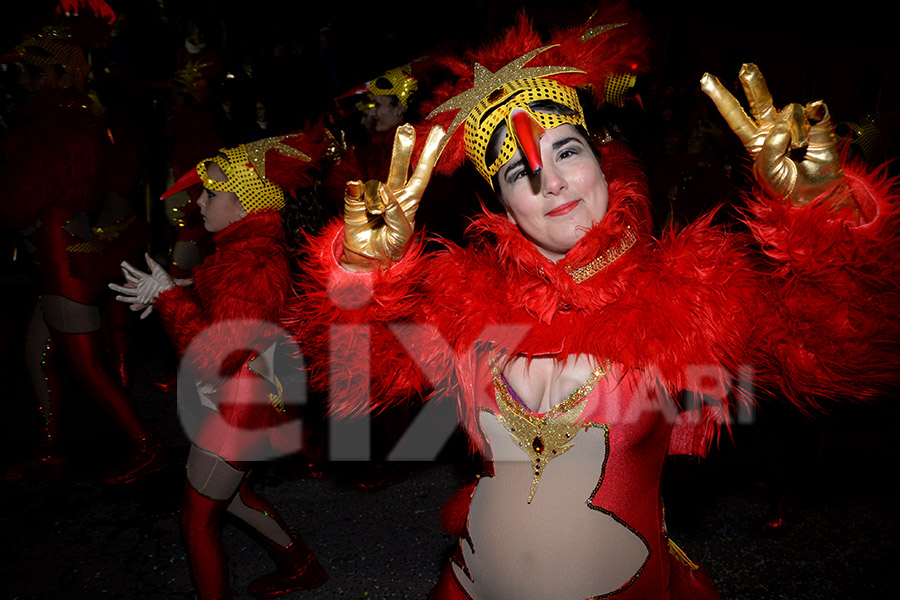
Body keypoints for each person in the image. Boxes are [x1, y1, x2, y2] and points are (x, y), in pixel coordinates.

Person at [286, 7, 900, 600]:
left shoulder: (690, 291)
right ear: (502, 208)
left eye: (567, 151)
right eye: (518, 172)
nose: (550, 181)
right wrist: (362, 274)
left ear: (602, 163)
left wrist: (825, 220)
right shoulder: (461, 300)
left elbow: (839, 354)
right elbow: (350, 379)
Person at [110, 131, 331, 600]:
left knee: (196, 523)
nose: (200, 202)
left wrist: (170, 299)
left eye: (212, 193)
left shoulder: (252, 263)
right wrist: (177, 289)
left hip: (239, 406)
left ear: (247, 205)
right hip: (254, 399)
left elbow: (214, 355)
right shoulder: (245, 249)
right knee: (235, 498)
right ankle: (302, 567)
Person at [0, 20, 165, 485]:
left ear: (59, 77)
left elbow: (18, 203)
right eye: (24, 74)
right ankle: (50, 448)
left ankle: (145, 444)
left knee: (86, 366)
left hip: (63, 265)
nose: (24, 82)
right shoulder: (61, 123)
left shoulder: (59, 129)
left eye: (34, 74)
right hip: (58, 261)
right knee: (38, 353)